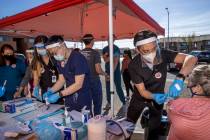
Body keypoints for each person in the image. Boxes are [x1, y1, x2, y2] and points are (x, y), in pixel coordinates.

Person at [127, 30, 197, 140]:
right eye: (146, 51)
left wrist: (180, 78)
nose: (152, 53)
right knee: (129, 125)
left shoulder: (163, 54)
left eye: (154, 49)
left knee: (154, 129)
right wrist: (153, 96)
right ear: (137, 50)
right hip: (139, 98)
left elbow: (191, 58)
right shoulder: (133, 66)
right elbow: (142, 91)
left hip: (158, 99)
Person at [43, 35, 92, 112]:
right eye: (52, 54)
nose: (54, 56)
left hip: (82, 98)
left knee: (83, 121)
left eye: (55, 52)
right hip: (69, 96)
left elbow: (78, 84)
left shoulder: (78, 58)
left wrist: (59, 95)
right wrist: (51, 91)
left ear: (62, 45)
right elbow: (61, 80)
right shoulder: (60, 61)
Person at [167, 65, 210, 140]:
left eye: (190, 84)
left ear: (198, 88)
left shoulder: (177, 106)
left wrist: (173, 97)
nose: (188, 86)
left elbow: (169, 114)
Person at [81, 34, 108, 115]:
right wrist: (105, 74)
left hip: (83, 82)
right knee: (97, 103)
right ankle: (96, 121)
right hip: (94, 81)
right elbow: (98, 70)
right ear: (92, 41)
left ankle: (88, 122)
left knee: (86, 105)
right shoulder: (95, 53)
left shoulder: (79, 53)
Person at [30, 35, 59, 102]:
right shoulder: (36, 61)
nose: (40, 49)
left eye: (42, 47)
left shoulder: (55, 58)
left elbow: (62, 77)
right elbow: (36, 78)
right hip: (45, 93)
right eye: (38, 47)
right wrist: (36, 88)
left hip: (57, 91)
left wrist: (57, 92)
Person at [102, 35, 126, 110]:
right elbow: (105, 60)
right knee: (108, 88)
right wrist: (111, 57)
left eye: (112, 38)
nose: (109, 39)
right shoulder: (104, 49)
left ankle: (124, 102)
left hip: (116, 72)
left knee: (118, 87)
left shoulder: (116, 48)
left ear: (114, 39)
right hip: (107, 71)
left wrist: (109, 57)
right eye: (108, 38)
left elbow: (115, 61)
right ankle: (109, 103)